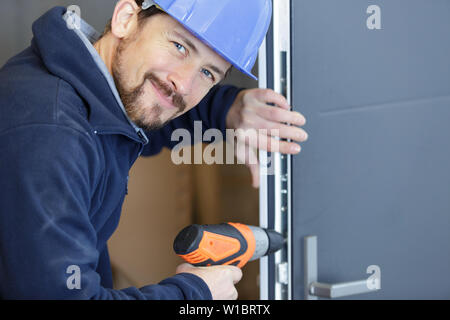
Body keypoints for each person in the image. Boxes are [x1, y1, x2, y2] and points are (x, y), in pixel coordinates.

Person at [0, 0, 308, 299]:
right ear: (125, 18)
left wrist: (225, 109)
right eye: (179, 46)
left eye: (207, 73)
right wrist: (194, 293)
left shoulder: (87, 94)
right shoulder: (51, 135)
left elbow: (138, 124)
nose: (184, 84)